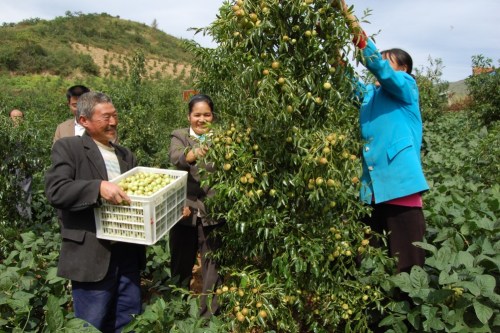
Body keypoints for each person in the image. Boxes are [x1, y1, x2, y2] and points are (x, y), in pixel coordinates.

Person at [339, 0, 429, 273]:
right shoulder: (370, 95)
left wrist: (347, 18)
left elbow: (377, 65)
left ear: (402, 70)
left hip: (400, 191)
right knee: (367, 262)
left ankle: (410, 313)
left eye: (389, 63)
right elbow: (346, 78)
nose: (380, 68)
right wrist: (329, 42)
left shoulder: (406, 90)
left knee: (407, 265)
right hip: (372, 193)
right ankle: (374, 314)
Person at [45, 92, 145, 332]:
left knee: (128, 320)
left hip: (127, 253)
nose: (113, 122)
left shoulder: (125, 155)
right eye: (105, 117)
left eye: (115, 115)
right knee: (92, 323)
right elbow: (56, 190)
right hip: (92, 253)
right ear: (83, 121)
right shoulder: (69, 148)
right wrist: (97, 187)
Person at [168, 94, 223, 317]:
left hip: (214, 212)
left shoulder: (222, 138)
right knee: (181, 264)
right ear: (189, 116)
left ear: (213, 116)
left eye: (206, 114)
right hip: (185, 211)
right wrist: (195, 152)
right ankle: (177, 312)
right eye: (197, 115)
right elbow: (176, 158)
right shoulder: (179, 136)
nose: (201, 119)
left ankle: (209, 316)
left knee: (212, 268)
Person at [8, 109, 32, 220]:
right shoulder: (6, 134)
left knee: (24, 194)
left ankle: (25, 220)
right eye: (15, 117)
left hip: (23, 169)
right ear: (9, 119)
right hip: (8, 169)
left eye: (20, 117)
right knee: (10, 194)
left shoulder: (28, 134)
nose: (17, 120)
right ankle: (11, 219)